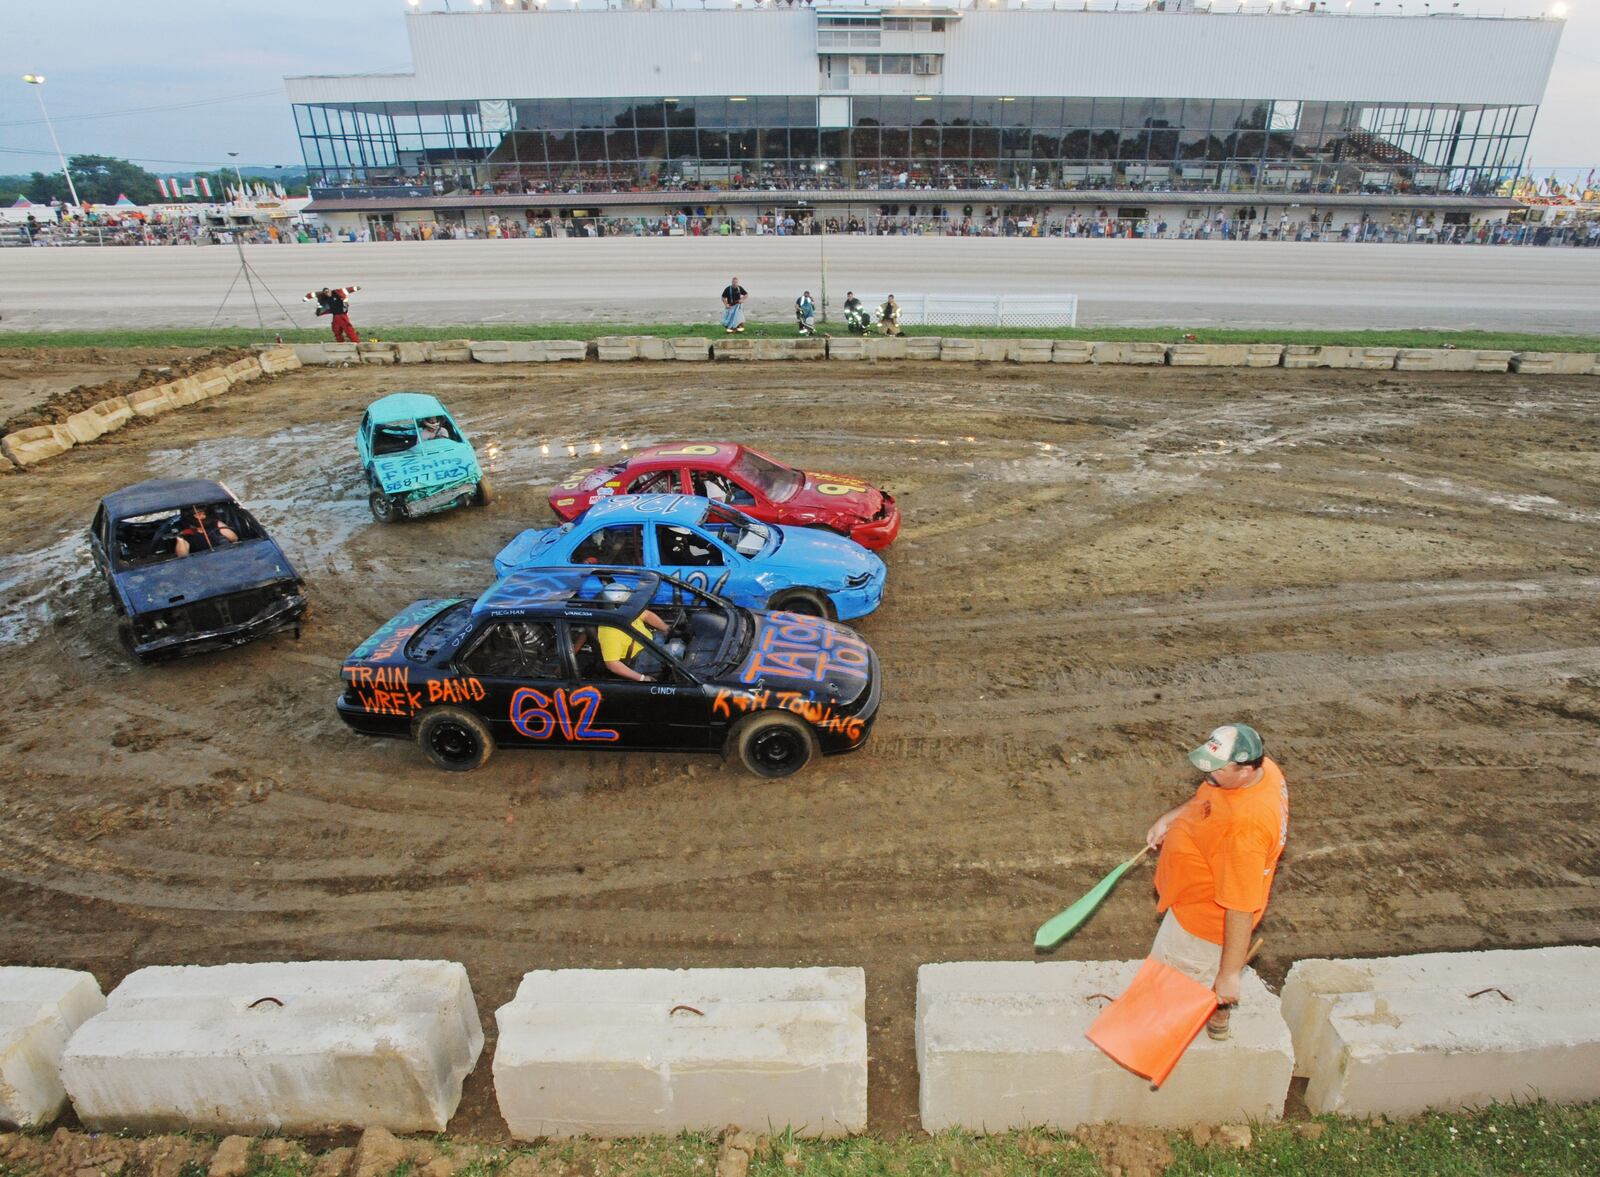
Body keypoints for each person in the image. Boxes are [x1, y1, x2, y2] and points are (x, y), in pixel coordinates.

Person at [1144, 723, 1288, 1038]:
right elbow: (1211, 800)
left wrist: (1229, 974)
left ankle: (1161, 1034)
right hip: (1197, 896)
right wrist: (1173, 818)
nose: (1208, 775)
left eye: (1217, 770)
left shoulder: (1245, 831)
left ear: (1246, 770)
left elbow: (1239, 907)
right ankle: (1217, 1012)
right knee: (1202, 972)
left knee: (1171, 985)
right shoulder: (1261, 773)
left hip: (1200, 924)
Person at [596, 583, 673, 682]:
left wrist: (666, 629)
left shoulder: (628, 612)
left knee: (677, 642)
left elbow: (646, 615)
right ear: (618, 606)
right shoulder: (609, 631)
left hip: (650, 641)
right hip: (638, 659)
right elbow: (612, 664)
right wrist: (642, 678)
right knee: (675, 653)